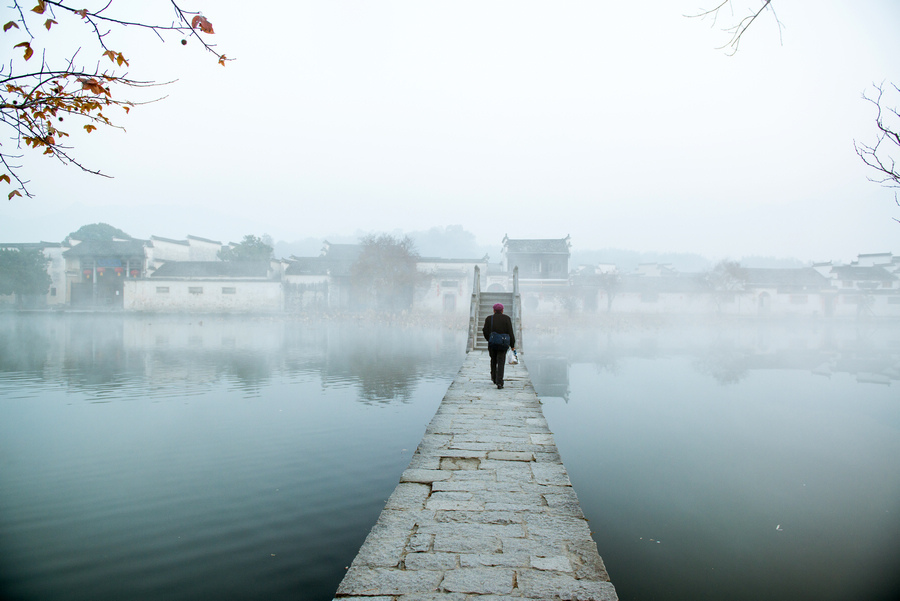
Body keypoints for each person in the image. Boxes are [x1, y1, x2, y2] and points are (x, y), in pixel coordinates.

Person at [482, 303, 516, 389]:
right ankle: (500, 382)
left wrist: (489, 339)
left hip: (492, 343)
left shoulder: (489, 319)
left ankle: (494, 378)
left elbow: (485, 331)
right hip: (503, 344)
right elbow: (510, 332)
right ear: (502, 310)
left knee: (493, 360)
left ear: (493, 310)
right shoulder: (506, 318)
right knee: (501, 362)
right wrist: (512, 344)